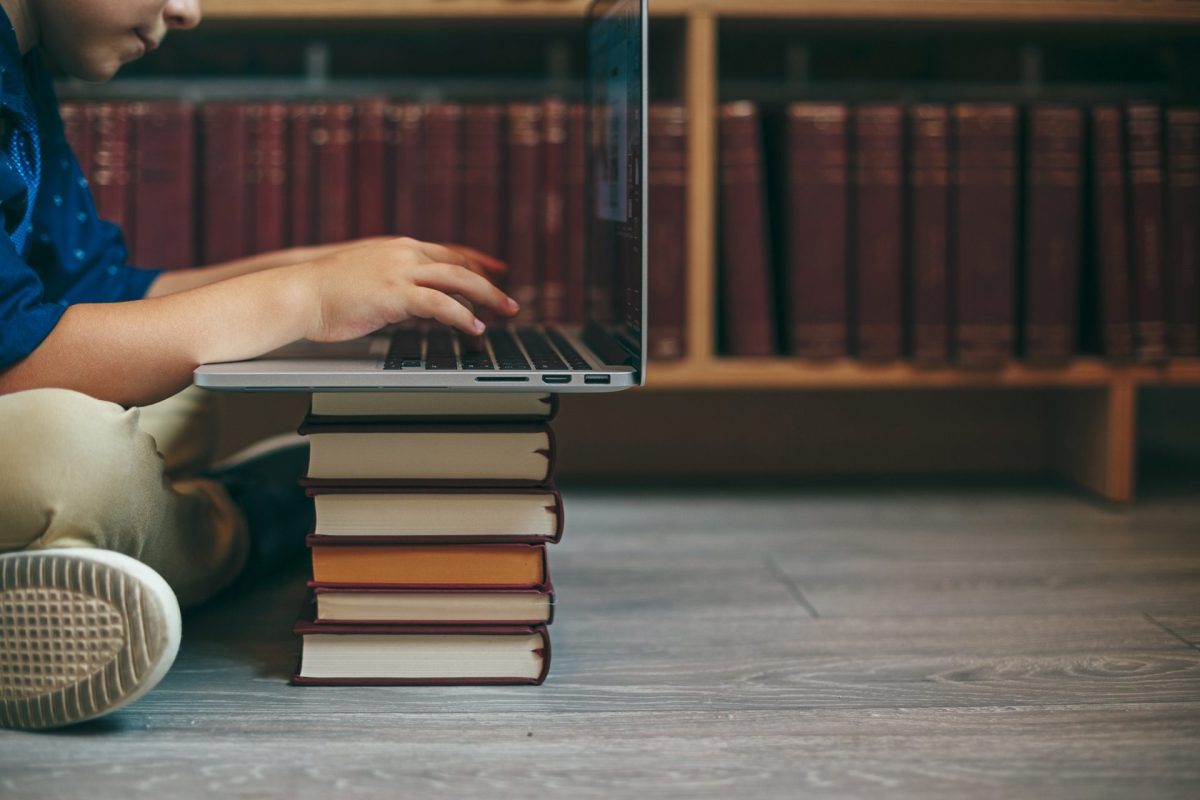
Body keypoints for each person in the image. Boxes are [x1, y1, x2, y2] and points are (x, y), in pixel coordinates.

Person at [0, 0, 520, 730]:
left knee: (178, 393)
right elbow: (18, 359)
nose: (187, 12)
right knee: (79, 453)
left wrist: (333, 269)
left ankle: (75, 561)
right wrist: (303, 299)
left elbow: (97, 295)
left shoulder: (16, 64)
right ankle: (239, 523)